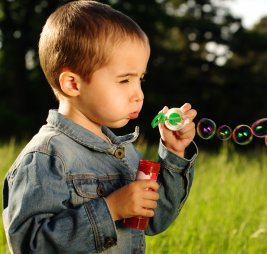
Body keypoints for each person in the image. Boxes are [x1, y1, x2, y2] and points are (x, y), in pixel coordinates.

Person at [2, 1, 198, 253]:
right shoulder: (46, 156)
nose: (138, 95)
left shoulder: (124, 152)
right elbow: (30, 245)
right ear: (73, 84)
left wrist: (174, 153)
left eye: (140, 79)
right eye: (124, 80)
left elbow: (154, 219)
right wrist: (111, 209)